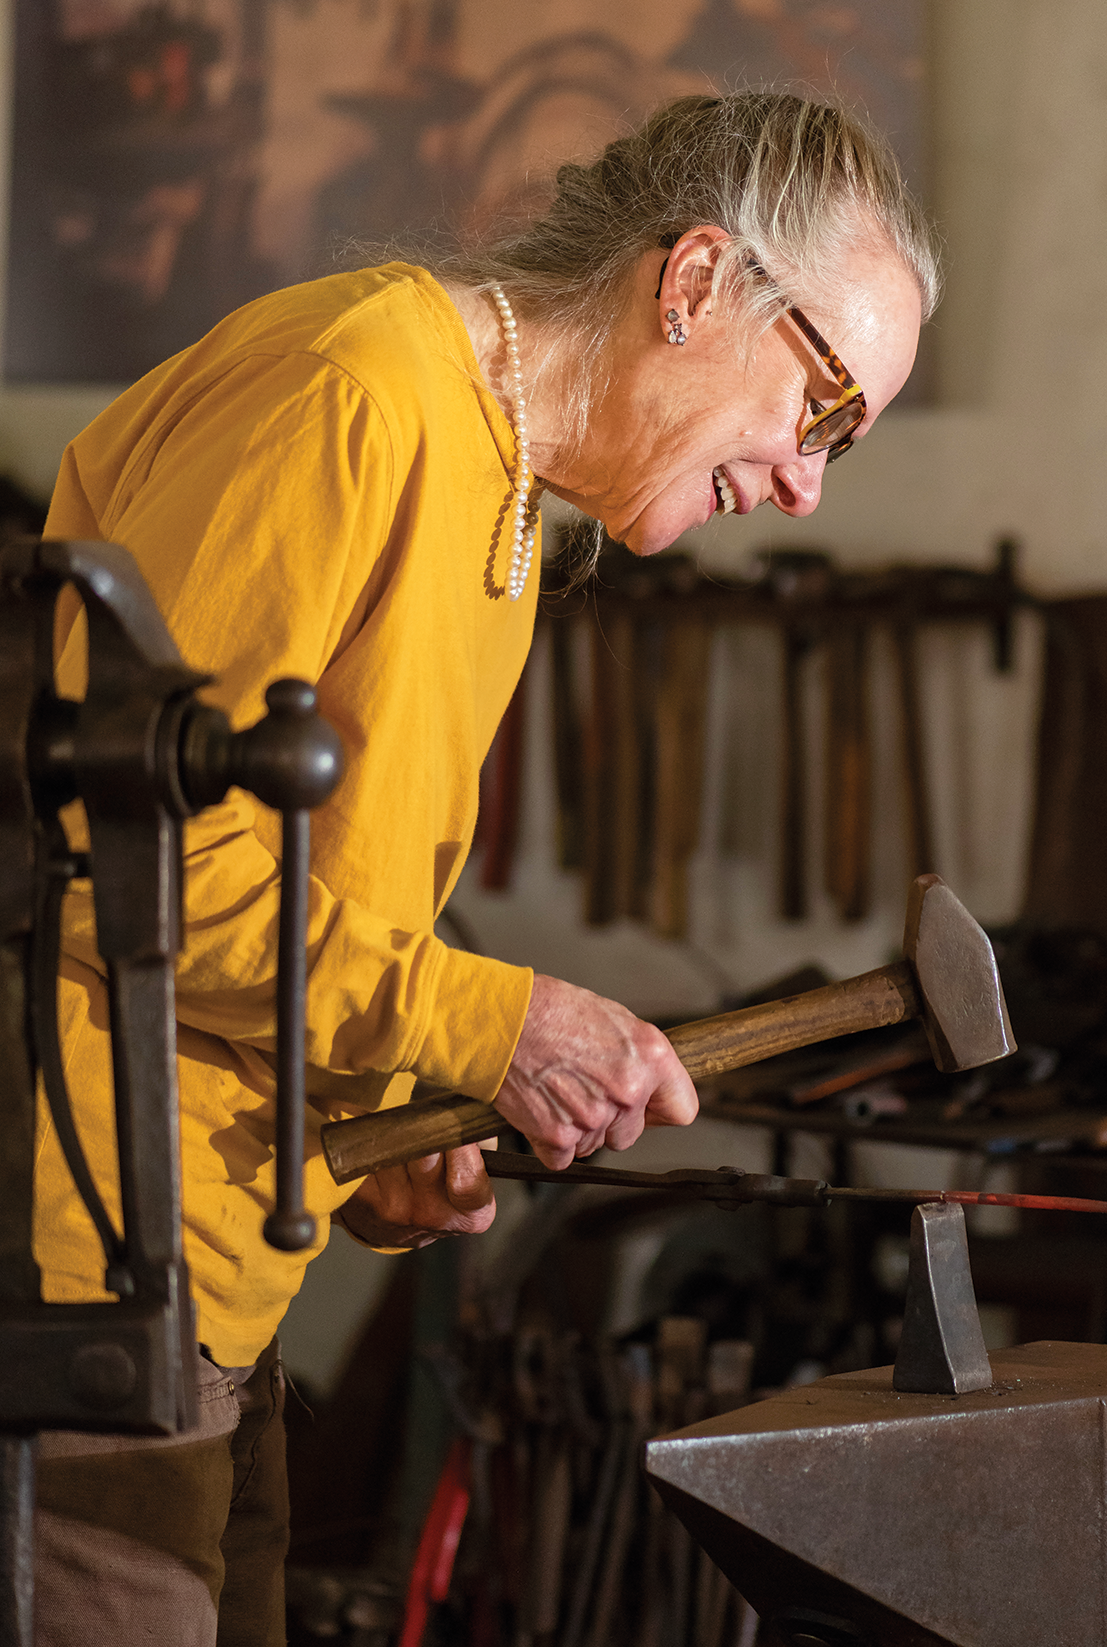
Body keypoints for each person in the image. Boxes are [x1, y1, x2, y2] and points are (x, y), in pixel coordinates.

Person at [32, 90, 938, 1645]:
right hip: (76, 1277)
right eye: (828, 407)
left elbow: (310, 904)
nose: (808, 482)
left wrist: (385, 1117)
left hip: (211, 1290)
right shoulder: (351, 392)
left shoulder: (511, 491)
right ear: (697, 280)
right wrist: (482, 1023)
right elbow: (127, 868)